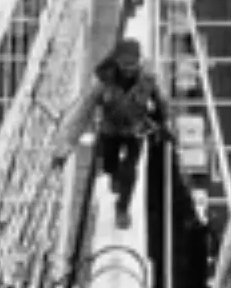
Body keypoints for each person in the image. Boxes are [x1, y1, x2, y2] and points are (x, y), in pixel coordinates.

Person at [51, 38, 174, 229]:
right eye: (124, 65)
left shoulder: (149, 77)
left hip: (136, 128)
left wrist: (165, 125)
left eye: (132, 65)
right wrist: (65, 148)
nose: (128, 70)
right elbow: (83, 113)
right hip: (110, 127)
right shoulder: (102, 81)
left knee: (130, 169)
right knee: (109, 165)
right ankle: (113, 173)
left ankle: (122, 208)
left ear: (139, 62)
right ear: (116, 62)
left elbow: (162, 102)